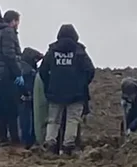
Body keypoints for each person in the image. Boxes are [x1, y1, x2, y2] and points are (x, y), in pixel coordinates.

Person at [38, 24, 95, 155]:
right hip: (76, 93)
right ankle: (68, 146)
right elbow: (90, 70)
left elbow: (43, 70)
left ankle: (50, 145)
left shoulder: (52, 50)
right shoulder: (79, 51)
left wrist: (49, 85)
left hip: (55, 92)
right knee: (72, 120)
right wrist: (82, 84)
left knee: (53, 120)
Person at [0, 10, 25, 147]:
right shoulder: (9, 32)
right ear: (14, 21)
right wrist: (18, 73)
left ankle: (3, 138)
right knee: (12, 108)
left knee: (3, 108)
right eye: (17, 21)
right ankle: (15, 139)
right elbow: (9, 55)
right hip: (7, 75)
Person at [18, 47, 44, 149]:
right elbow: (30, 87)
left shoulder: (19, 68)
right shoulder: (29, 72)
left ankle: (24, 140)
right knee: (29, 121)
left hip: (20, 100)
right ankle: (29, 142)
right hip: (28, 100)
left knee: (22, 121)